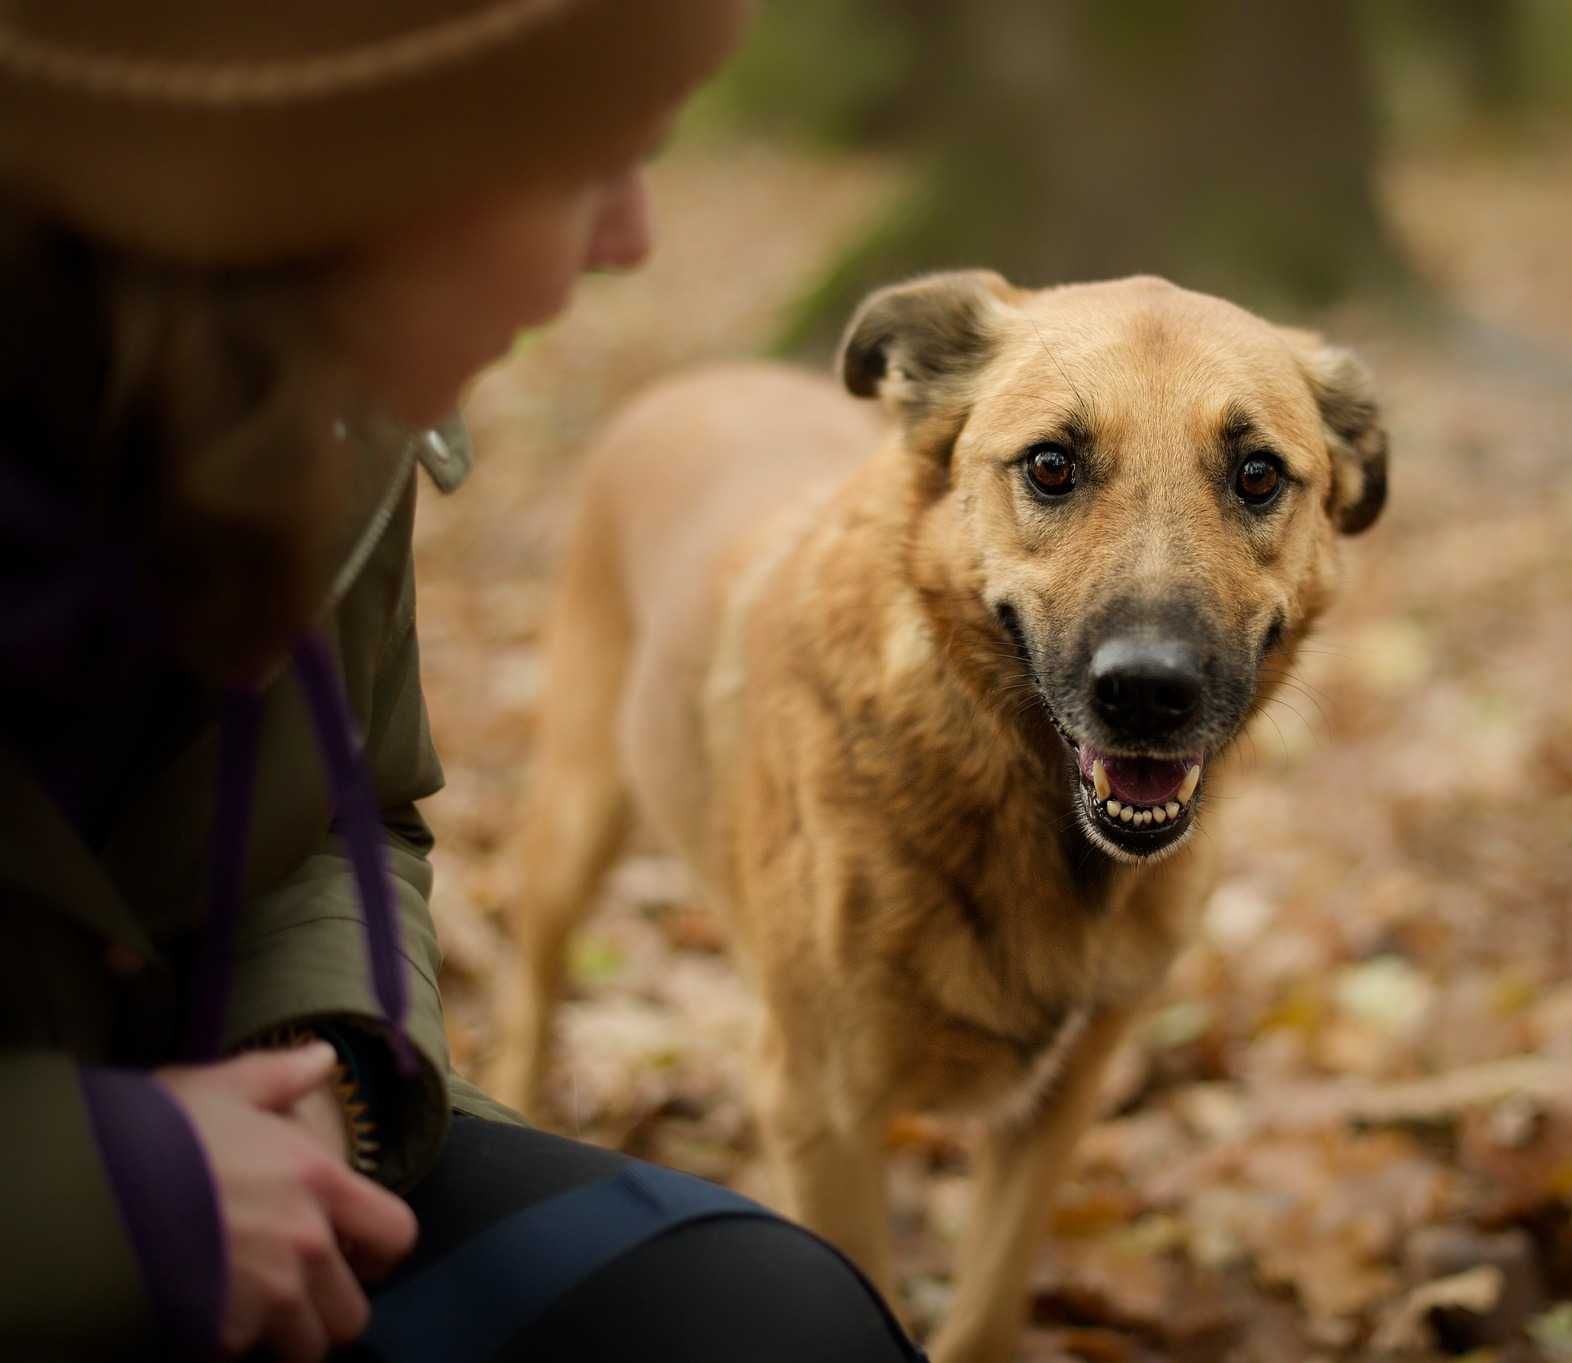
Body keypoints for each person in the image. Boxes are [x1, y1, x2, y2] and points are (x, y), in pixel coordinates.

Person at [0, 3, 924, 1360]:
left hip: (260, 1159)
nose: (631, 243)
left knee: (765, 1322)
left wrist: (339, 1076)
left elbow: (342, 813)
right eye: (582, 171)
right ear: (347, 176)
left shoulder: (316, 421)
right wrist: (119, 1190)